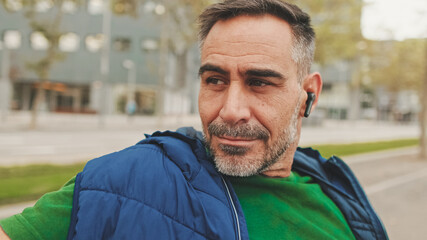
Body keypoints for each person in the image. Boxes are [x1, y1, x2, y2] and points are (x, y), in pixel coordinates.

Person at [0, 0, 388, 239]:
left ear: (309, 94)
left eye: (259, 83)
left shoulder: (338, 194)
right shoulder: (128, 181)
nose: (230, 109)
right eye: (215, 80)